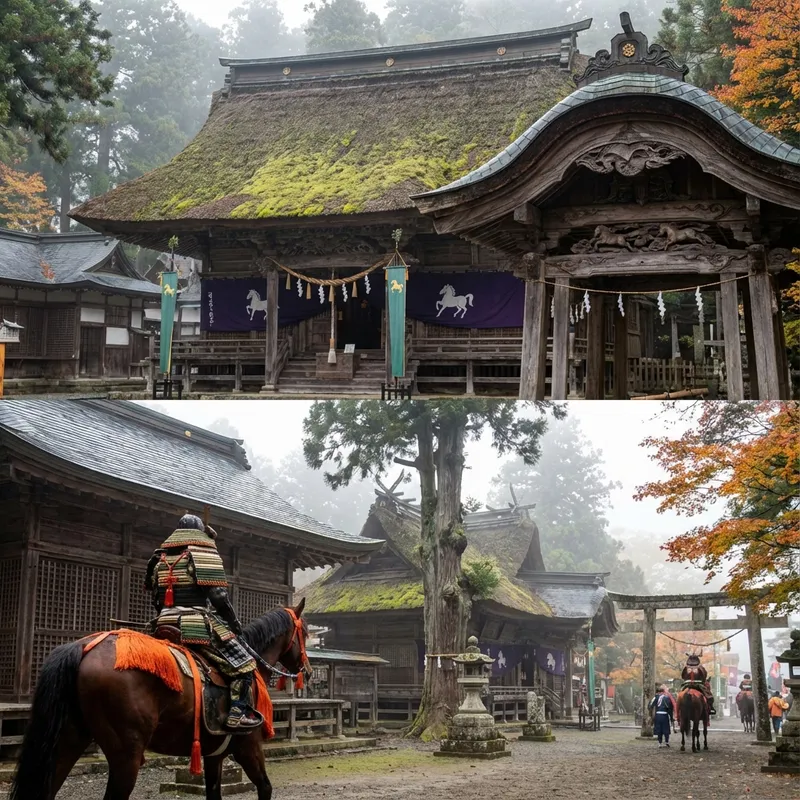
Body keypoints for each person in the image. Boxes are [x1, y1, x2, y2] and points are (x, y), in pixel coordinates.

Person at [145, 513, 262, 730]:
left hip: (162, 624)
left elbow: (156, 600)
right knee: (245, 665)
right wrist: (233, 622)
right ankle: (237, 714)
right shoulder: (201, 554)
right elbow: (219, 597)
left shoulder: (158, 560)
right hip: (193, 625)